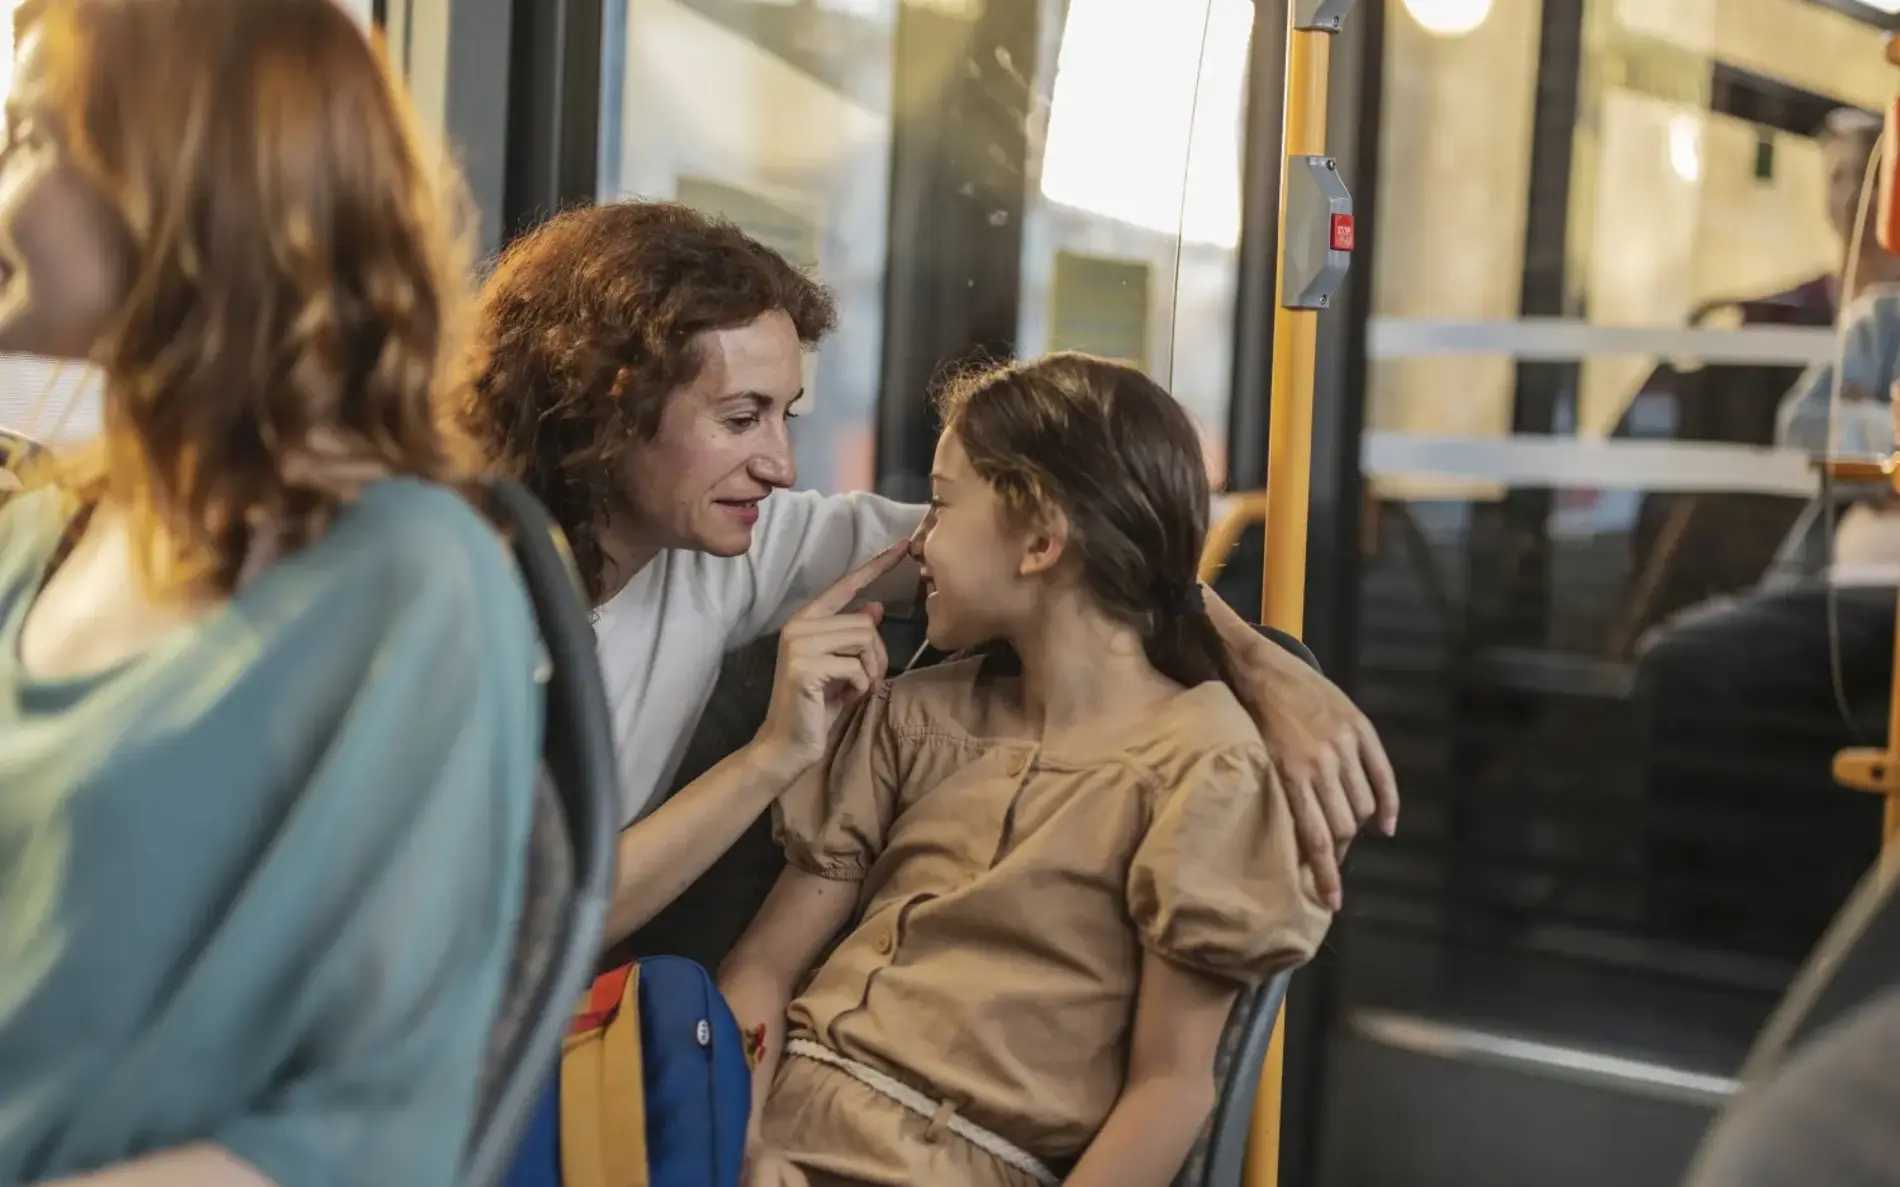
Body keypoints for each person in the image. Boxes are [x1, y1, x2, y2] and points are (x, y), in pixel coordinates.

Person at [463, 201, 1398, 949]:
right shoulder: (451, 602)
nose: (782, 465)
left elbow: (1052, 544)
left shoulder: (728, 548)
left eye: (787, 415)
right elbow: (523, 938)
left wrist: (1271, 667)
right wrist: (772, 759)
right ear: (609, 408)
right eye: (742, 417)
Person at [0, 2, 541, 1186]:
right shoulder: (33, 541)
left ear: (192, 187)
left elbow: (365, 1133)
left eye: (31, 138)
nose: (0, 184)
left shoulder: (414, 587)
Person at [717, 353, 1331, 1187]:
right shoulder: (911, 715)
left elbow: (1170, 1086)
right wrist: (745, 1145)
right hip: (770, 1132)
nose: (918, 541)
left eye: (938, 504)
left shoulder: (1200, 765)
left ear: (1041, 539)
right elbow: (763, 966)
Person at [1634, 113, 1900, 958]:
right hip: (1841, 584)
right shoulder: (1883, 322)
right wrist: (1882, 448)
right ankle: (1702, 932)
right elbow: (1807, 425)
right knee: (1680, 663)